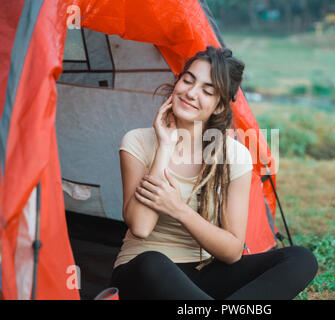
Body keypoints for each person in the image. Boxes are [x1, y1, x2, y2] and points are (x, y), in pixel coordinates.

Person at [110, 46, 318, 300]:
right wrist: (165, 145)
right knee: (152, 261)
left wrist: (178, 209)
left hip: (203, 275)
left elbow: (231, 251)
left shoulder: (234, 156)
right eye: (187, 80)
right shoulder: (137, 142)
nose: (191, 93)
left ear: (219, 106)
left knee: (300, 259)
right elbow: (141, 227)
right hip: (144, 275)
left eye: (207, 91)